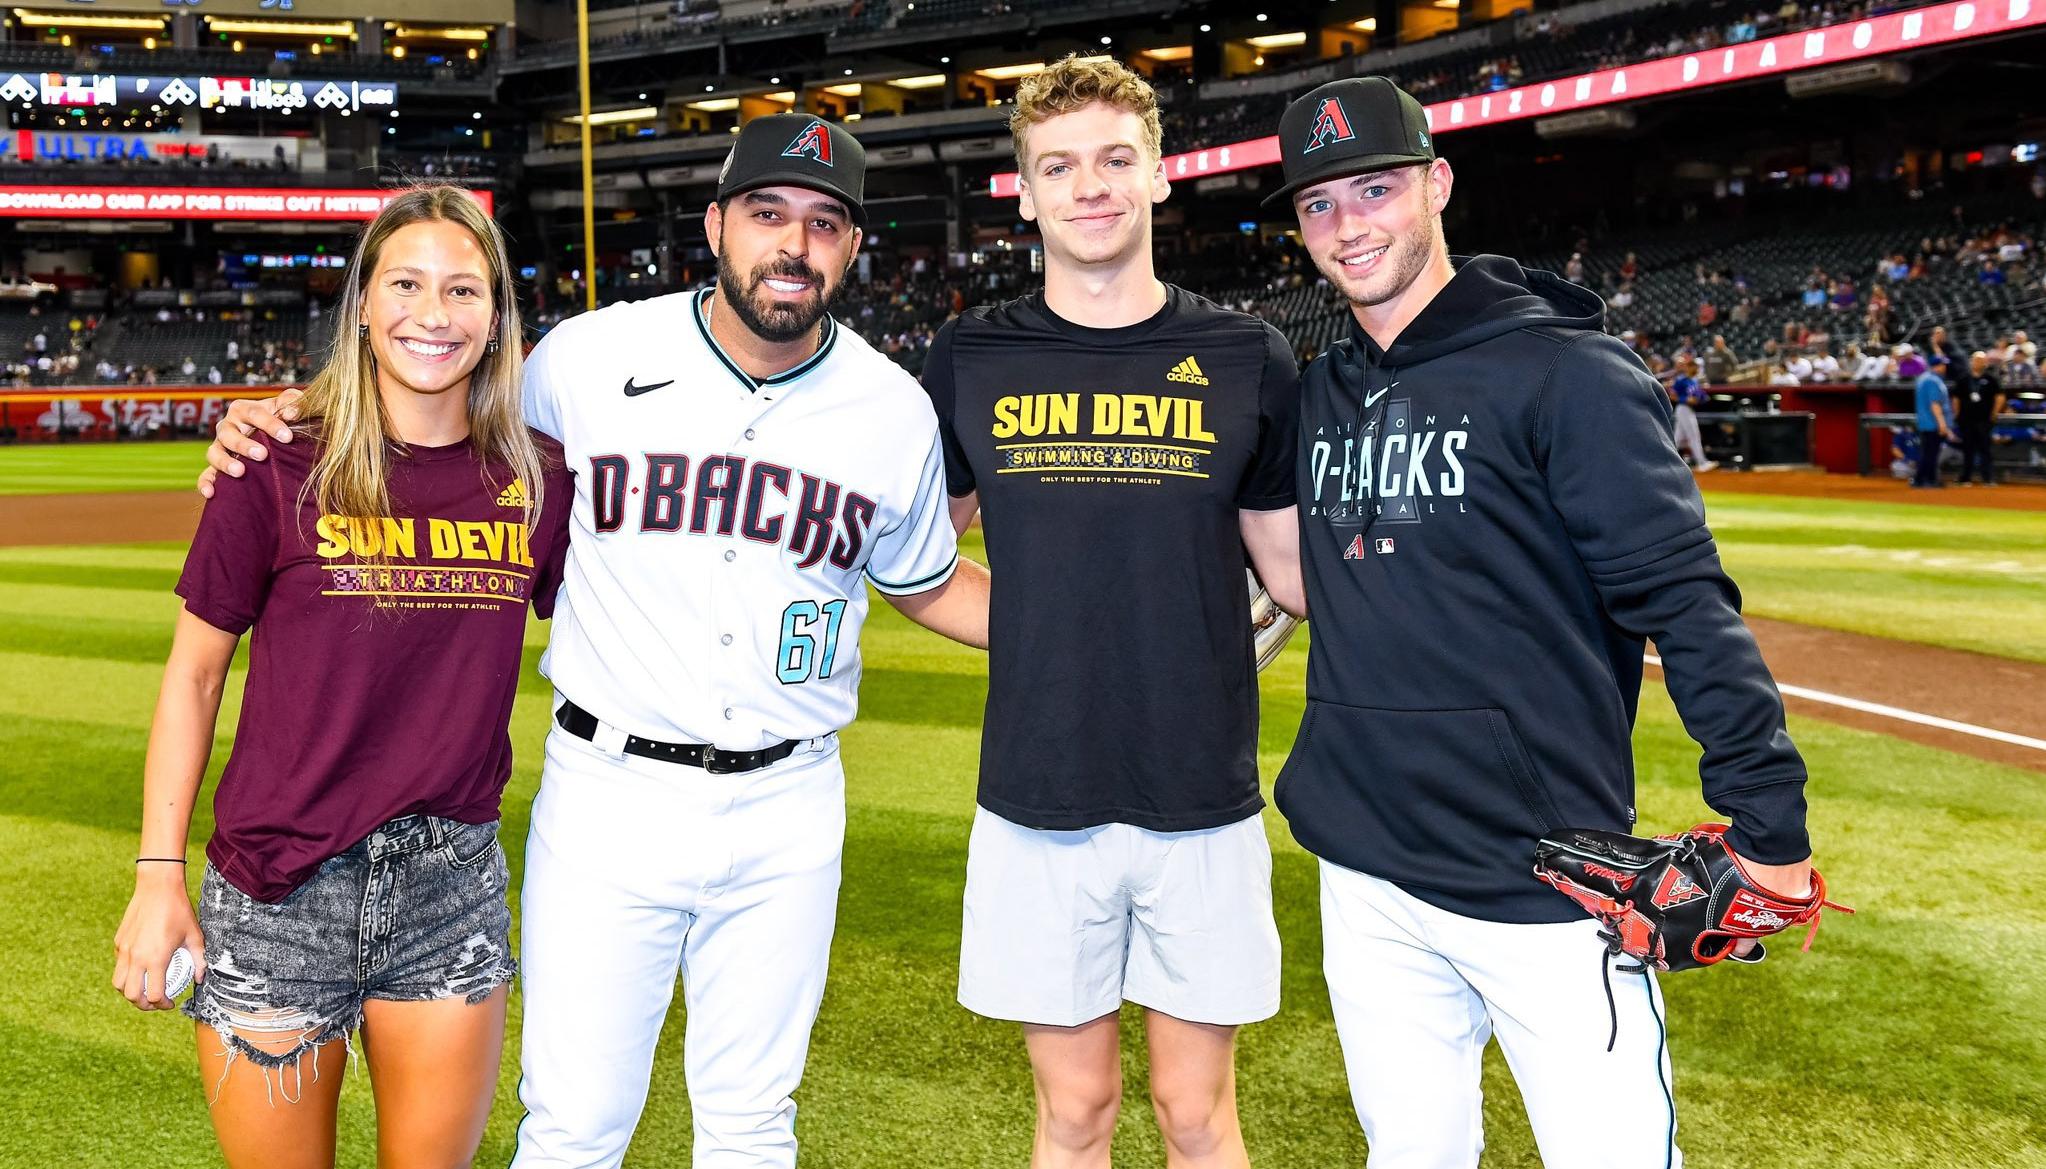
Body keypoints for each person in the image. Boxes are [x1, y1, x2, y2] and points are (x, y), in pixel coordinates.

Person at [200, 117, 992, 1169]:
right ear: (716, 225)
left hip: (791, 808)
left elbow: (930, 580)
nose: (793, 243)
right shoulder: (587, 359)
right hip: (609, 793)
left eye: (823, 222)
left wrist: (1115, 623)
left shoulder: (891, 409)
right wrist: (290, 414)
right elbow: (431, 394)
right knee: (573, 1124)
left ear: (851, 246)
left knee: (755, 1122)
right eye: (767, 214)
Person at [1267, 77, 1818, 1167]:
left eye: (1374, 189)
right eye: (1320, 204)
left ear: (1437, 184)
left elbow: (1685, 601)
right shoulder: (1321, 390)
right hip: (1365, 867)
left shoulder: (1567, 373)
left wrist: (1773, 832)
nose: (1348, 225)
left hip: (1549, 878)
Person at [112, 186, 573, 1169]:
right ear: (363, 304)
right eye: (405, 283)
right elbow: (194, 676)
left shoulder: (538, 480)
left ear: (496, 318)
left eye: (463, 288)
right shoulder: (275, 463)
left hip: (446, 891)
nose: (434, 313)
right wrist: (158, 874)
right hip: (275, 895)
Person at [923, 56, 1301, 1169]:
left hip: (1202, 790)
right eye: (1059, 165)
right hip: (1039, 792)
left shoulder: (1249, 355)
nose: (1089, 185)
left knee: (1199, 1114)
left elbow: (1291, 574)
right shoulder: (972, 354)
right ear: (1026, 192)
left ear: (1158, 177)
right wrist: (1053, 627)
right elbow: (917, 556)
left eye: (1113, 159)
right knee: (1074, 1112)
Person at [1954, 350, 2006, 486]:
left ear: (1985, 363)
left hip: (1984, 420)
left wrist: (1994, 413)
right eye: (1976, 360)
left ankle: (1988, 478)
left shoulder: (1991, 378)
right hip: (1966, 420)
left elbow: (2000, 396)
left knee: (1985, 450)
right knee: (1967, 450)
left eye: (1981, 360)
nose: (1978, 363)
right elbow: (1956, 398)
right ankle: (1965, 478)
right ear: (1971, 361)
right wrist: (1957, 414)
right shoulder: (1964, 379)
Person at [1668, 356, 1717, 472]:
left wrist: (1702, 397)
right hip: (1683, 408)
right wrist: (1685, 399)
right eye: (1693, 366)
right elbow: (1672, 395)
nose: (1696, 368)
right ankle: (1702, 463)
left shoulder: (1694, 380)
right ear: (1688, 367)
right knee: (1693, 435)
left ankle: (1664, 460)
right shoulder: (1681, 380)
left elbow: (1697, 396)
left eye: (1697, 366)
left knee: (1677, 439)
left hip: (1689, 409)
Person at [1914, 353, 1955, 488]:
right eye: (1943, 365)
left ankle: (1920, 479)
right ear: (1938, 366)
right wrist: (1942, 424)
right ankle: (1929, 480)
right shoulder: (1933, 381)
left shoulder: (1922, 378)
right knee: (1931, 453)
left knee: (1926, 453)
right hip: (1933, 424)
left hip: (1925, 423)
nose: (1945, 367)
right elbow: (1935, 405)